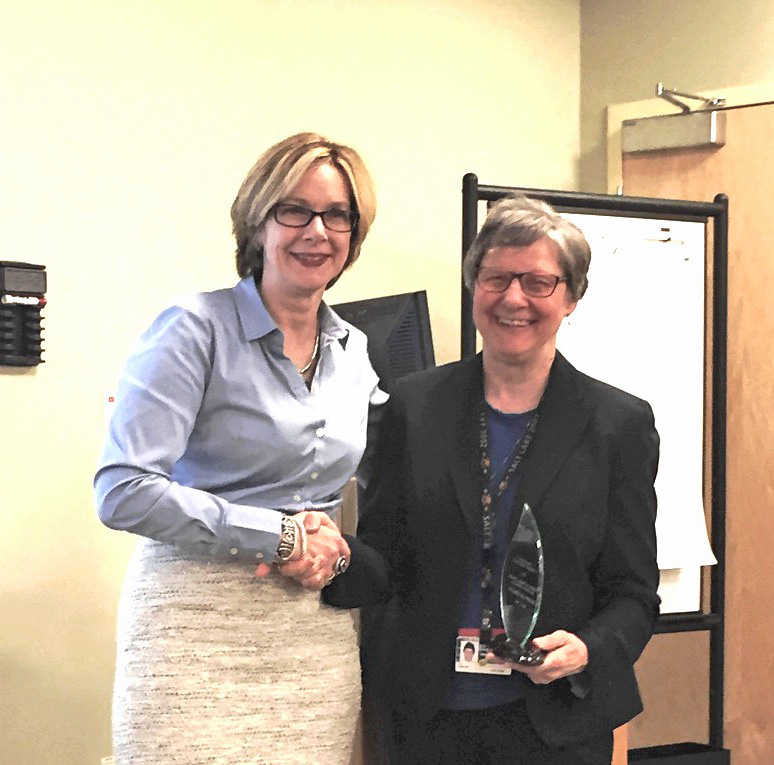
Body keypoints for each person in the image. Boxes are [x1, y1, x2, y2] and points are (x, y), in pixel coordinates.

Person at [323, 194, 660, 764]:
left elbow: (632, 593)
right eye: (495, 277)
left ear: (572, 297)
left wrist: (585, 649)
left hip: (555, 724)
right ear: (473, 285)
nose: (513, 298)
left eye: (538, 282)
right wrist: (325, 552)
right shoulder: (410, 406)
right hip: (426, 718)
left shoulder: (618, 425)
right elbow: (383, 557)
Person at [94, 132, 385, 764]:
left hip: (311, 637)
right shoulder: (193, 328)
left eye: (339, 215)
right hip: (193, 629)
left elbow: (334, 497)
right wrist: (276, 535)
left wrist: (327, 552)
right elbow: (122, 490)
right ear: (258, 220)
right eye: (295, 210)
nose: (318, 231)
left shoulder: (353, 350)